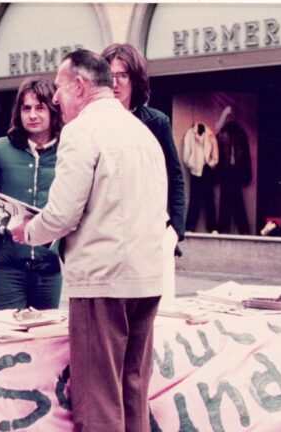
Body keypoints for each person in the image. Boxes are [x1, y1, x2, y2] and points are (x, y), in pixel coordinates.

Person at [11, 49, 167, 432]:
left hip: (103, 280)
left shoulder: (81, 131)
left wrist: (29, 230)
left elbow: (63, 213)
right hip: (146, 277)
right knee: (133, 391)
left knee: (98, 398)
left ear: (79, 86)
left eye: (60, 89)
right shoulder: (140, 130)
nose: (56, 100)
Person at [0, 77, 63, 311]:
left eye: (40, 107)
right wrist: (2, 225)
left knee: (45, 341)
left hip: (50, 270)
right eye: (26, 108)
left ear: (53, 111)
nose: (32, 115)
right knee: (4, 340)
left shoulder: (67, 151)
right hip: (7, 269)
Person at [100, 43, 186, 303]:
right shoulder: (92, 123)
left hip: (152, 236)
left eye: (123, 75)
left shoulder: (155, 122)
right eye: (109, 76)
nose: (115, 83)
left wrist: (175, 231)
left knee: (157, 313)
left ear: (135, 80)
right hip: (108, 237)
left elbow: (175, 176)